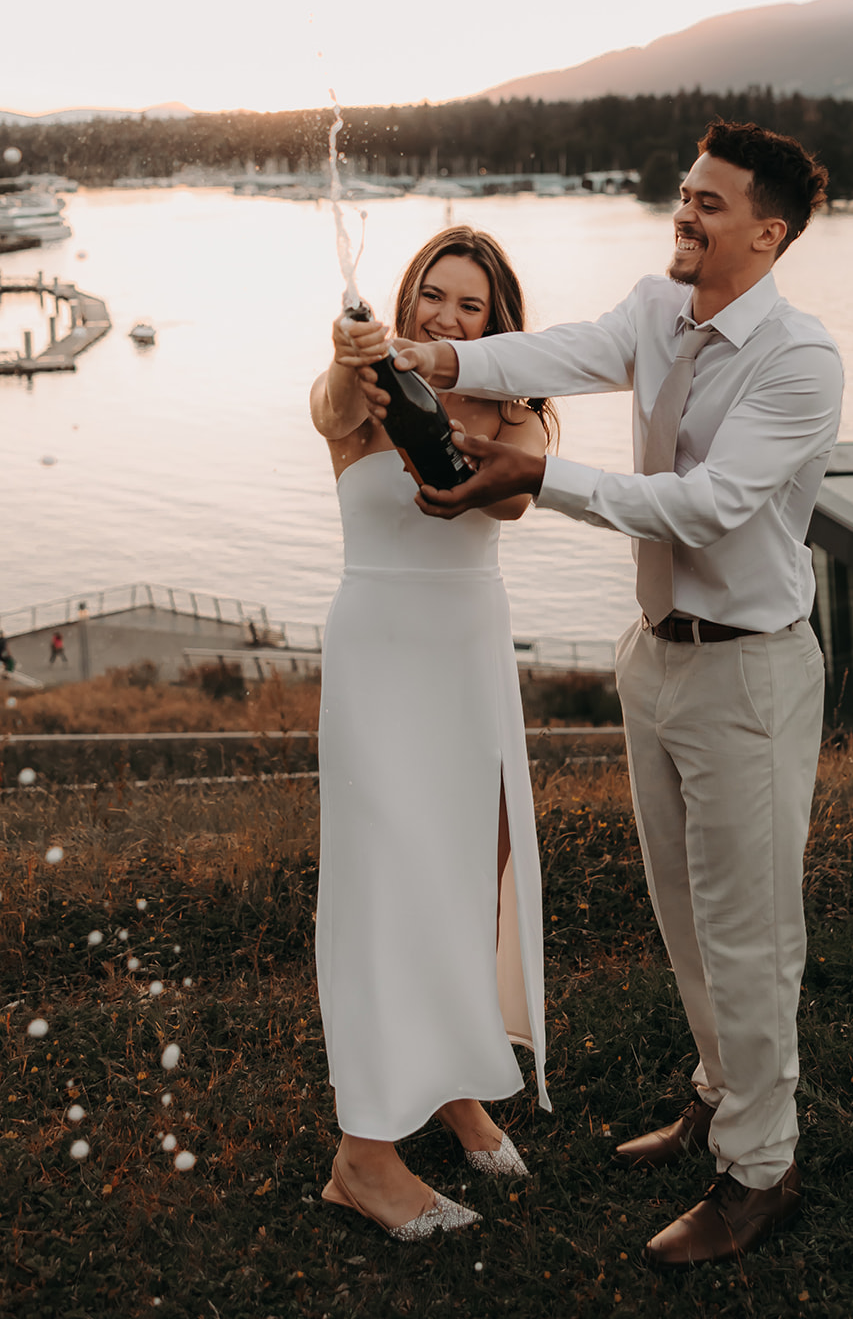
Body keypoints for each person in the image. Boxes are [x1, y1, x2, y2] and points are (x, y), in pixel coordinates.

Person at [358, 121, 843, 1267]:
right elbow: (555, 352)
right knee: (684, 913)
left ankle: (759, 1170)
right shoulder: (657, 309)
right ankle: (717, 1099)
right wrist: (438, 362)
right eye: (683, 193)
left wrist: (539, 473)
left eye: (708, 204)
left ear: (766, 233)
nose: (683, 214)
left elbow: (706, 506)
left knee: (751, 932)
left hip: (748, 672)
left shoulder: (798, 361)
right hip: (656, 657)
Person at [309, 224, 554, 1243]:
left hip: (468, 657)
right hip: (378, 656)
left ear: (494, 321)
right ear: (403, 298)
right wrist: (347, 353)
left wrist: (452, 408)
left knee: (466, 878)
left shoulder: (521, 409)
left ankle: (454, 1084)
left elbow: (506, 485)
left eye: (470, 304)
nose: (444, 315)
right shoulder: (355, 393)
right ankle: (363, 1155)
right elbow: (330, 403)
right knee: (382, 887)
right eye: (432, 295)